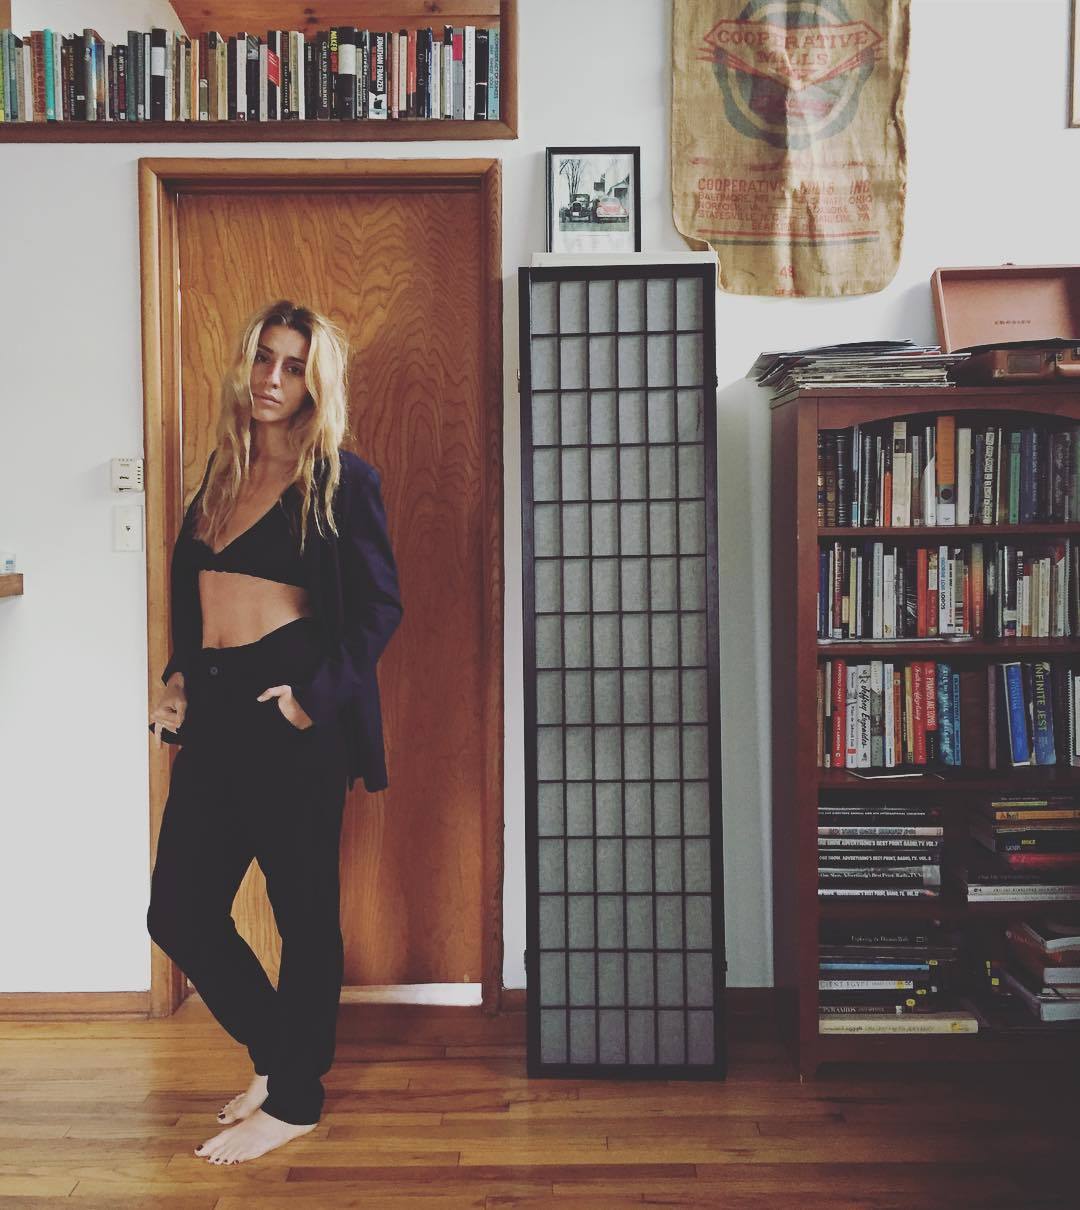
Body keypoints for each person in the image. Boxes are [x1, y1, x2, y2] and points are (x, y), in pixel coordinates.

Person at [145, 299, 403, 1165]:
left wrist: (312, 700)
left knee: (303, 916)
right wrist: (179, 679)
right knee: (178, 910)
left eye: (293, 366)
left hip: (288, 711)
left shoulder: (340, 479)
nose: (272, 378)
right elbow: (200, 597)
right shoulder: (222, 472)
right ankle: (278, 1056)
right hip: (216, 708)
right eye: (263, 358)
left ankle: (295, 1100)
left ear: (314, 383)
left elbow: (378, 608)